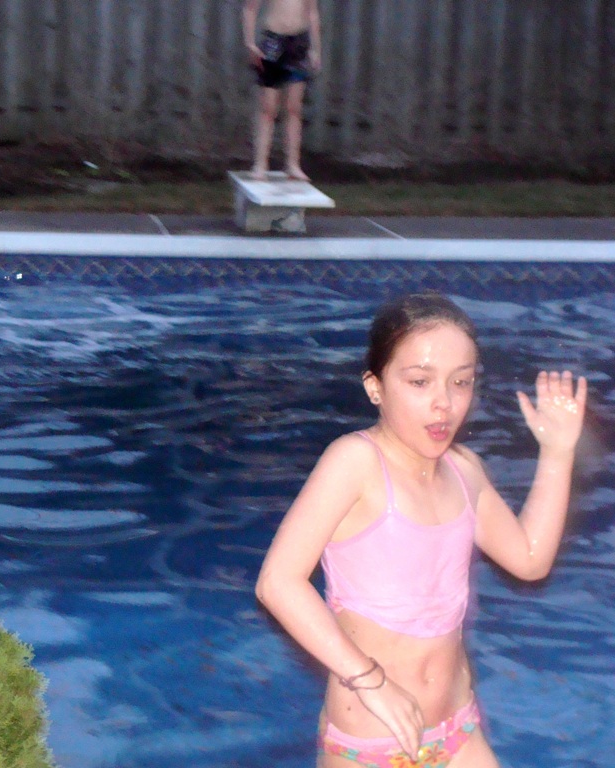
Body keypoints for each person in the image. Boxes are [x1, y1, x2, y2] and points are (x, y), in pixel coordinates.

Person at [254, 292, 588, 767]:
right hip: (372, 739)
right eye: (419, 381)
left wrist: (557, 453)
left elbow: (530, 560)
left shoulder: (464, 470)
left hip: (457, 728)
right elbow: (277, 582)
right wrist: (370, 681)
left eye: (461, 382)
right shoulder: (355, 463)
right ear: (375, 387)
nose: (443, 403)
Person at [242, 0, 322, 181]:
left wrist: (315, 49)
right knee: (268, 108)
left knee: (294, 108)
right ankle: (260, 164)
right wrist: (250, 43)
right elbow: (250, 9)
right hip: (273, 42)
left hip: (298, 44)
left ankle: (293, 164)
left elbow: (312, 12)